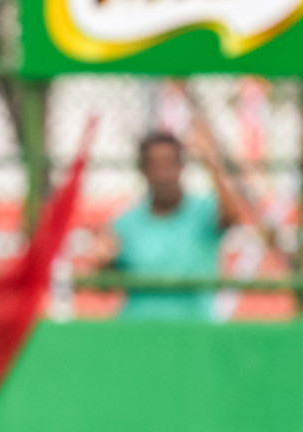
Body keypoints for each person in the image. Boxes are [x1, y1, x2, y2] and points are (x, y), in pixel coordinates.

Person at [93, 124, 243, 320]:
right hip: (138, 330)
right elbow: (104, 286)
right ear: (144, 170)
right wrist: (103, 264)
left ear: (182, 167)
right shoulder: (125, 224)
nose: (164, 174)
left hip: (195, 329)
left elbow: (233, 215)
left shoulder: (204, 212)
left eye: (170, 164)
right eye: (155, 166)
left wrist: (211, 161)